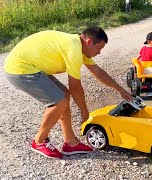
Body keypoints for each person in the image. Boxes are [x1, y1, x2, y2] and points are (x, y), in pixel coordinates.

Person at [4, 26, 132, 159]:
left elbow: (98, 72)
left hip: (31, 66)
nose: (99, 53)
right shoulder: (73, 49)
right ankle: (39, 141)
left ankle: (70, 142)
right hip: (19, 69)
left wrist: (120, 90)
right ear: (88, 42)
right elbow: (75, 87)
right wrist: (84, 112)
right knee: (59, 101)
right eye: (99, 48)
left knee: (63, 95)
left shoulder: (79, 46)